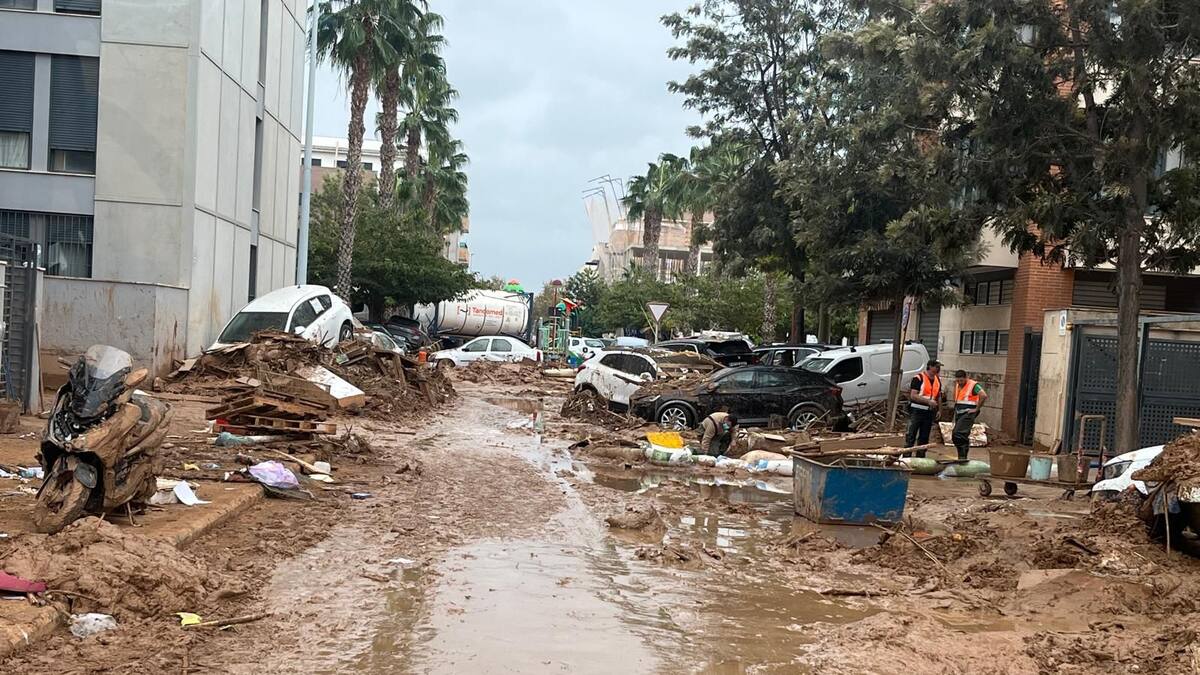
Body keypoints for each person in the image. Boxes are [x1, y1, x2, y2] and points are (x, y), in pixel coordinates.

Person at [905, 359, 943, 457]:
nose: (938, 369)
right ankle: (906, 457)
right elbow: (913, 395)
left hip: (929, 412)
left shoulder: (937, 380)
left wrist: (939, 409)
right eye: (936, 366)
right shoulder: (919, 378)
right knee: (911, 435)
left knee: (924, 437)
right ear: (930, 366)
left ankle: (920, 458)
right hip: (917, 410)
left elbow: (938, 396)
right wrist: (928, 401)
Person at [951, 369, 988, 461]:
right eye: (958, 380)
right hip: (960, 412)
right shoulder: (957, 385)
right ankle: (961, 456)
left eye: (961, 380)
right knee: (958, 435)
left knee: (958, 434)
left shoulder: (973, 385)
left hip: (968, 413)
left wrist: (977, 409)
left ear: (966, 378)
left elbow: (983, 395)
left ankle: (963, 457)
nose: (960, 382)